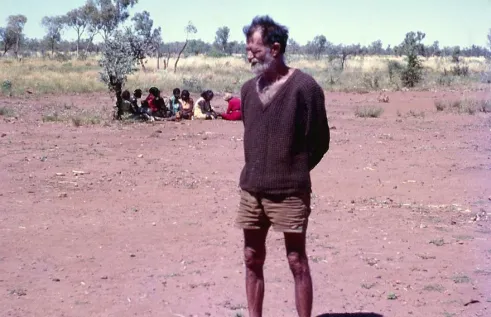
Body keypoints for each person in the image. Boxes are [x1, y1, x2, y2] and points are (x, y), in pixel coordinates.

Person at [235, 15, 330, 317]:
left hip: (290, 191)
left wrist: (293, 169)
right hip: (252, 191)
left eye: (256, 50)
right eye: (247, 50)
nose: (249, 57)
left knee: (296, 260)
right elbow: (252, 133)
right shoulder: (248, 90)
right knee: (252, 257)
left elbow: (320, 141)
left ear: (275, 49)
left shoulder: (305, 87)